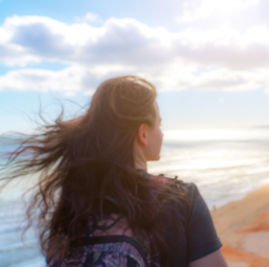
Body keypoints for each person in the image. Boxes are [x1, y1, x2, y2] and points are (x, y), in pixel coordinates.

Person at [2, 76, 228, 266]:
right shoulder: (181, 198)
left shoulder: (73, 206)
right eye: (159, 124)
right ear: (143, 133)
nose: (162, 133)